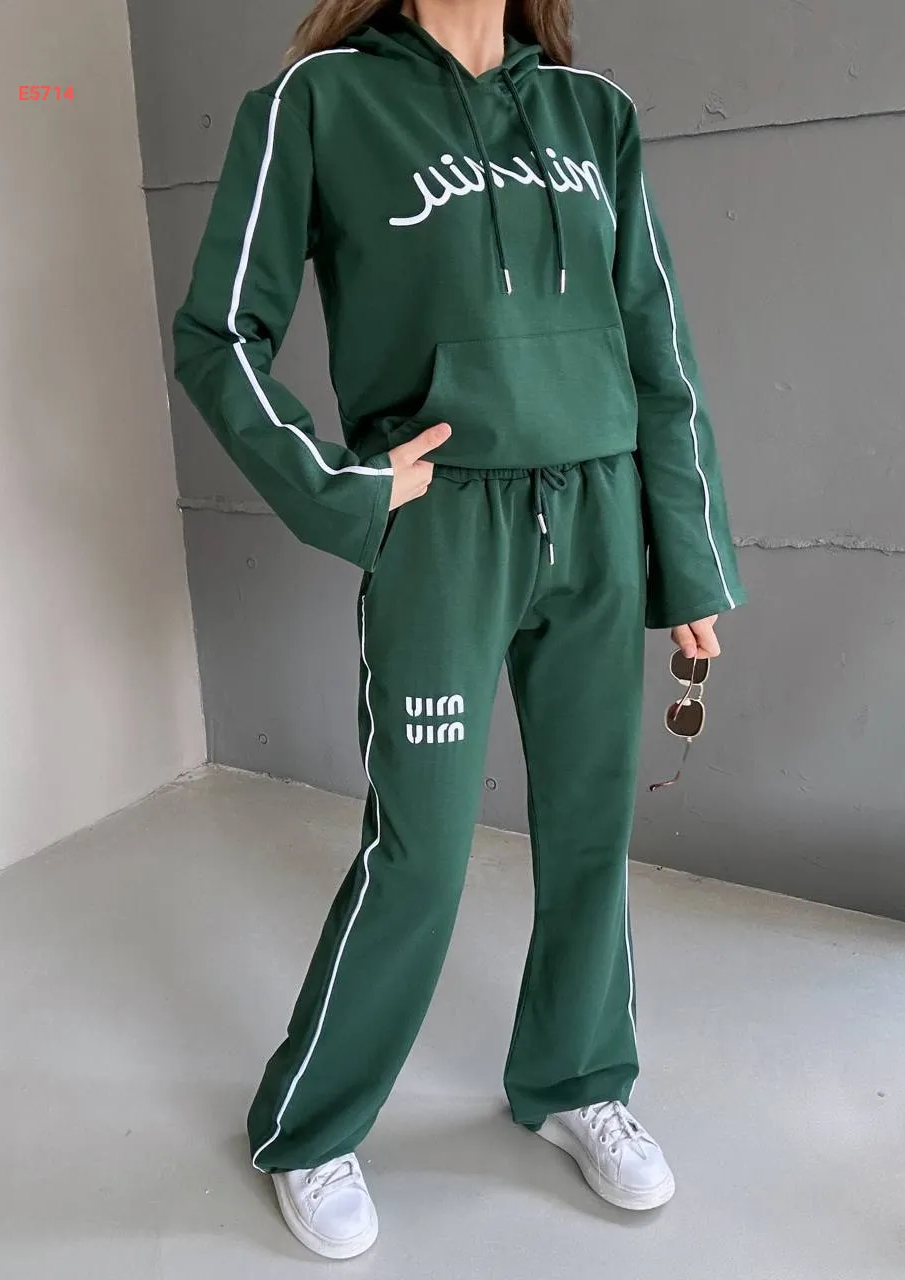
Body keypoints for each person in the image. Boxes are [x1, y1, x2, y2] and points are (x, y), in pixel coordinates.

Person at [172, 0, 746, 1260]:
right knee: (421, 850)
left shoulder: (593, 116)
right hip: (443, 529)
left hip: (599, 517)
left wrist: (688, 560)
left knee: (591, 829)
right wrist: (345, 484)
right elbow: (217, 333)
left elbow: (658, 350)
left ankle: (577, 1077)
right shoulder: (319, 101)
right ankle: (310, 1124)